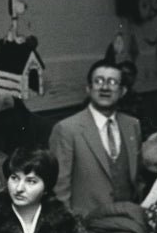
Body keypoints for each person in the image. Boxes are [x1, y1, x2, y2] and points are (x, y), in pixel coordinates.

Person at [48, 59, 142, 219]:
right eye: (98, 81)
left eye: (112, 82)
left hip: (127, 221)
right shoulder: (67, 129)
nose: (105, 87)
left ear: (122, 91)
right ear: (88, 88)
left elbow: (136, 178)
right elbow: (59, 189)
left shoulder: (132, 125)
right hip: (87, 225)